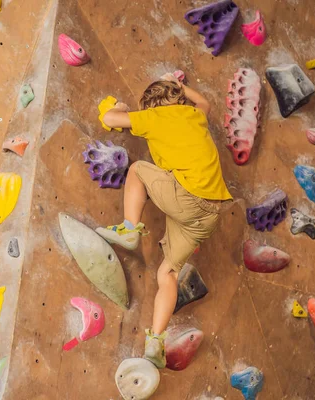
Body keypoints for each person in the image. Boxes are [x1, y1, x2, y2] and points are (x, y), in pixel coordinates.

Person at [96, 74, 233, 368]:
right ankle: (155, 343)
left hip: (186, 198)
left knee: (137, 169)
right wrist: (180, 85)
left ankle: (130, 228)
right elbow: (205, 102)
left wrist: (117, 105)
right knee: (167, 273)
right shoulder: (196, 116)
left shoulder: (155, 117)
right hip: (210, 213)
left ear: (152, 106)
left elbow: (109, 116)